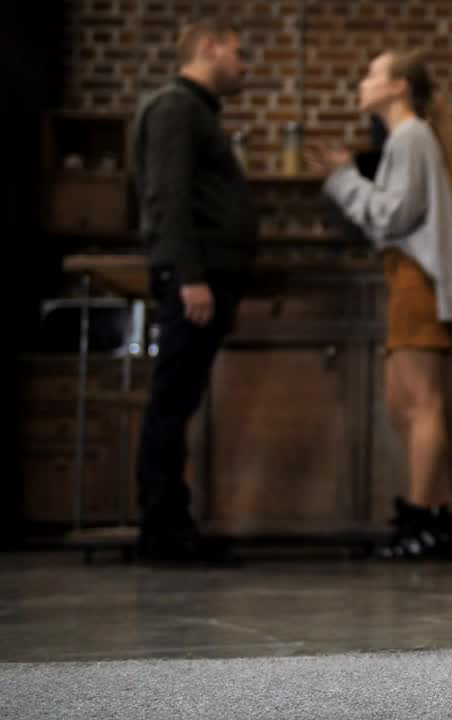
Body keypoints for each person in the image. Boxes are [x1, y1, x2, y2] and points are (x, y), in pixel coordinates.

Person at [307, 50, 452, 560]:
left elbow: (391, 216)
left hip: (415, 278)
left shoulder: (410, 137)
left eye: (372, 73)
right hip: (406, 277)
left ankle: (419, 523)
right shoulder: (410, 138)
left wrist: (342, 176)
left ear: (399, 86)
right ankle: (439, 517)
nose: (362, 82)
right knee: (406, 405)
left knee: (420, 404)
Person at [132, 17, 255, 565]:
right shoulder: (176, 108)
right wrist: (191, 277)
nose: (244, 65)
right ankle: (163, 530)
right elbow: (167, 198)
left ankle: (171, 524)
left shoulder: (195, 110)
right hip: (194, 281)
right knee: (171, 404)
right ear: (208, 46)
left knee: (178, 402)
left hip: (204, 278)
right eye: (237, 52)